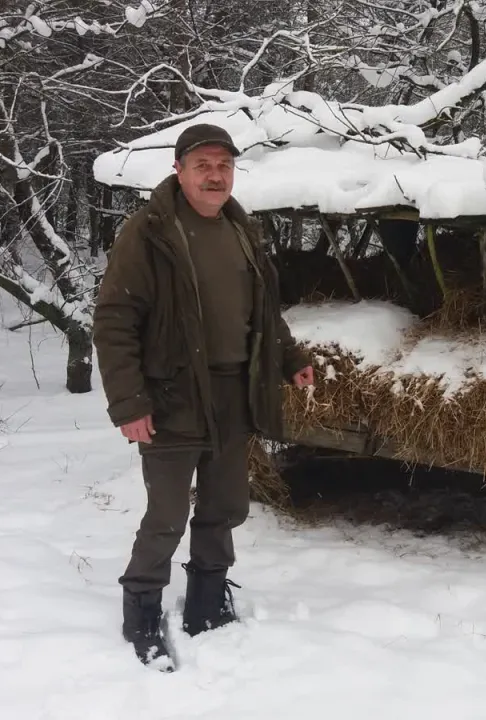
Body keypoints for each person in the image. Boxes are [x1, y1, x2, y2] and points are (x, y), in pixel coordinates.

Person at [92, 123, 314, 668]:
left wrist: (289, 359)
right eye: (203, 166)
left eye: (223, 166)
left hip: (234, 394)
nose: (215, 175)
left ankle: (207, 601)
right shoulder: (149, 234)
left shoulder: (243, 230)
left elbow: (261, 311)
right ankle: (142, 607)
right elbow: (115, 320)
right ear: (179, 171)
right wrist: (129, 402)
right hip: (171, 395)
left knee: (226, 506)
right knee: (167, 513)